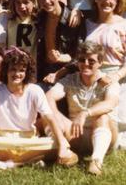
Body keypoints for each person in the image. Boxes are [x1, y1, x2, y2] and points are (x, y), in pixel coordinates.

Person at [0, 47, 79, 169]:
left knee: (59, 142)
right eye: (13, 69)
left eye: (22, 70)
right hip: (2, 140)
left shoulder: (35, 90)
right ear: (6, 70)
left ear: (27, 72)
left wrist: (62, 144)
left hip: (28, 140)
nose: (17, 74)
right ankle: (29, 162)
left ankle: (6, 164)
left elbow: (49, 117)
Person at [46, 42, 119, 175]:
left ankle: (96, 161)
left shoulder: (108, 81)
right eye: (81, 60)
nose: (85, 64)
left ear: (100, 63)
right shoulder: (70, 80)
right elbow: (49, 97)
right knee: (48, 113)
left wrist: (85, 113)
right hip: (76, 134)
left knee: (102, 116)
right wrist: (55, 116)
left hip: (104, 135)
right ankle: (63, 149)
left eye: (91, 61)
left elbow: (110, 103)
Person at [84, 0, 126, 143]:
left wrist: (115, 77)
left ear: (117, 1)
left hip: (118, 79)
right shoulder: (89, 24)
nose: (107, 1)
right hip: (93, 78)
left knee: (119, 134)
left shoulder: (125, 25)